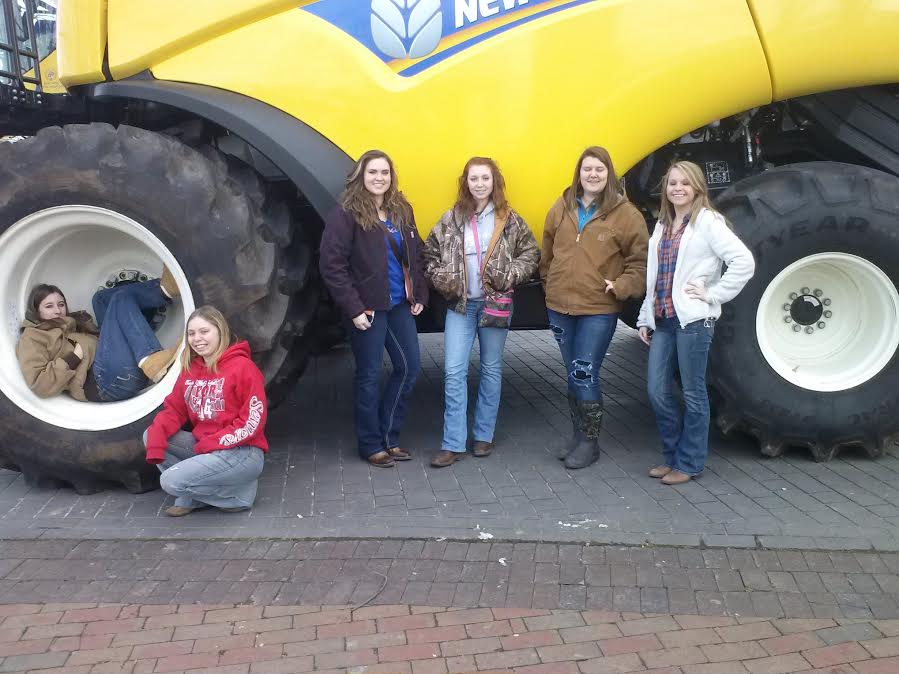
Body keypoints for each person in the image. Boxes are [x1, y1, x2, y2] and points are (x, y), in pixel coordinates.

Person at [637, 161, 754, 485]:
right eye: (672, 183)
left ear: (697, 188)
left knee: (693, 393)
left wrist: (713, 293)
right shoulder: (663, 225)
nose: (677, 188)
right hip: (663, 321)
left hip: (693, 321)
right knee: (657, 391)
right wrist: (645, 317)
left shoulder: (708, 222)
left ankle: (688, 464)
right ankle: (672, 456)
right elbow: (656, 278)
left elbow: (744, 262)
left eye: (685, 184)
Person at [425, 157, 539, 467]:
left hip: (494, 305)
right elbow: (429, 254)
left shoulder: (508, 219)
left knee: (491, 368)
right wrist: (442, 279)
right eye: (474, 178)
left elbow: (531, 254)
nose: (479, 184)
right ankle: (452, 442)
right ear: (466, 182)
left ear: (494, 182)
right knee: (453, 372)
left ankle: (483, 435)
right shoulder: (451, 219)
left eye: (485, 178)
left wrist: (509, 275)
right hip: (461, 305)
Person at [540, 146, 649, 469]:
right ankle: (577, 435)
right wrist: (551, 282)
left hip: (598, 308)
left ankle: (590, 443)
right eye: (587, 169)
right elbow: (547, 250)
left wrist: (623, 286)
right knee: (573, 374)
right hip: (560, 307)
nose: (593, 175)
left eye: (600, 170)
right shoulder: (562, 206)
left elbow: (640, 263)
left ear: (609, 174)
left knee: (585, 373)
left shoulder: (626, 214)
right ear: (579, 173)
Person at [319, 149, 428, 467]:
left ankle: (390, 437)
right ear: (360, 177)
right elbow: (332, 265)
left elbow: (416, 254)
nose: (379, 178)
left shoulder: (401, 209)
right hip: (367, 308)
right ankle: (370, 444)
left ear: (391, 177)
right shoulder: (346, 213)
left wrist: (419, 294)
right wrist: (353, 308)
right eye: (372, 172)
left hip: (398, 305)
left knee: (409, 368)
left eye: (384, 172)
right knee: (368, 375)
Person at [143, 305, 268, 516]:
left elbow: (252, 421)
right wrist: (157, 438)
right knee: (151, 435)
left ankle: (237, 497)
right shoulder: (191, 370)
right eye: (191, 333)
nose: (197, 338)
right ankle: (199, 496)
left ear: (220, 331)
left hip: (242, 452)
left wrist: (212, 443)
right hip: (208, 447)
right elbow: (174, 410)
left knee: (170, 482)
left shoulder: (243, 367)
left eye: (204, 331)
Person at [17, 270, 181, 403]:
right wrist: (73, 358)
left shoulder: (72, 323)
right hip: (105, 383)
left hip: (110, 365)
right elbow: (40, 384)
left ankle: (165, 288)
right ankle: (151, 361)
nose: (58, 310)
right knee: (119, 299)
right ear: (36, 311)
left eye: (61, 304)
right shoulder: (32, 337)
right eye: (49, 306)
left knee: (100, 299)